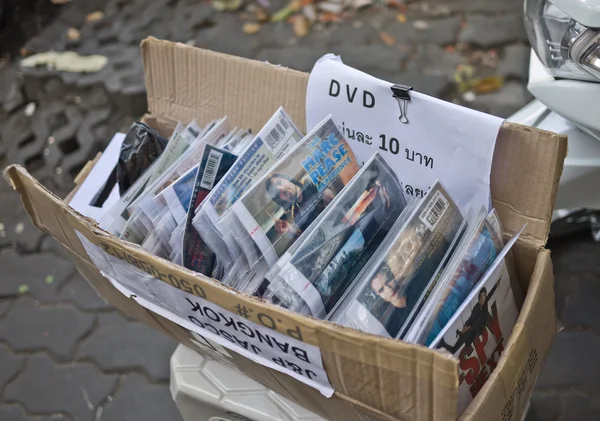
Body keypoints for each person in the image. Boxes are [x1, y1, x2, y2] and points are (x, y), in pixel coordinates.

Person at [437, 278, 501, 354]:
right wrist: (465, 329)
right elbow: (470, 320)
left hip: (475, 331)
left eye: (484, 295)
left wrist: (497, 284)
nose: (483, 297)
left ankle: (443, 344)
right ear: (479, 297)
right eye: (482, 295)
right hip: (468, 331)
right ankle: (442, 344)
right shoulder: (476, 308)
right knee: (454, 349)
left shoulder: (485, 302)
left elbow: (491, 293)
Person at [265, 173, 334, 237]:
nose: (283, 189)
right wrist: (291, 231)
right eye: (277, 193)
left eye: (280, 183)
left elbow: (334, 198)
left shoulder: (308, 181)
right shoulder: (295, 212)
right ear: (282, 200)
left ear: (286, 178)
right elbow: (312, 237)